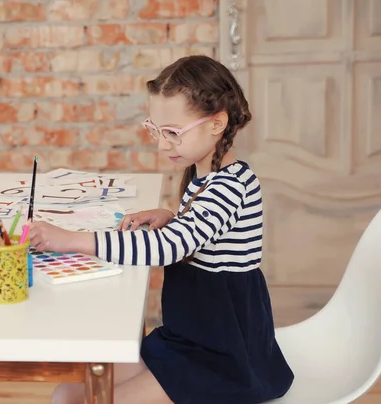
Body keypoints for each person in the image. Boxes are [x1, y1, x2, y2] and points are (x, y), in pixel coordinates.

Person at [27, 55, 295, 404]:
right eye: (155, 130)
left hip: (221, 357)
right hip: (188, 339)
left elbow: (171, 247)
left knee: (93, 399)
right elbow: (202, 232)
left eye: (172, 133)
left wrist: (71, 240)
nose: (161, 144)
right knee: (65, 394)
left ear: (216, 124)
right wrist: (173, 215)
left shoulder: (233, 185)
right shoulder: (206, 176)